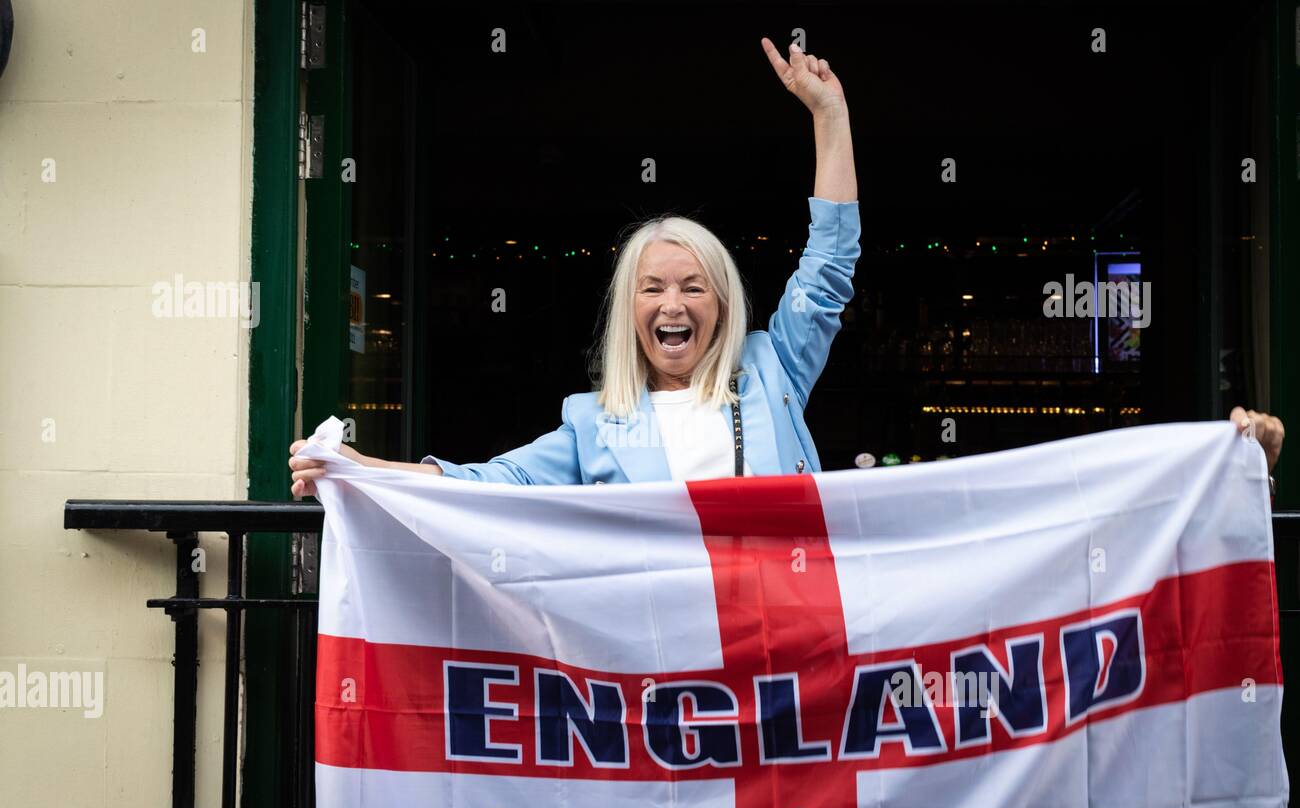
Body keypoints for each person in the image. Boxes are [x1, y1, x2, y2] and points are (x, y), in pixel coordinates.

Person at [290, 38, 1286, 496]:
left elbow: (830, 263)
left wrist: (831, 118)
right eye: (654, 287)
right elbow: (478, 486)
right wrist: (354, 468)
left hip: (790, 652)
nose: (674, 302)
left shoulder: (771, 371)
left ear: (723, 306)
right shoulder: (592, 425)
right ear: (629, 313)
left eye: (694, 286)